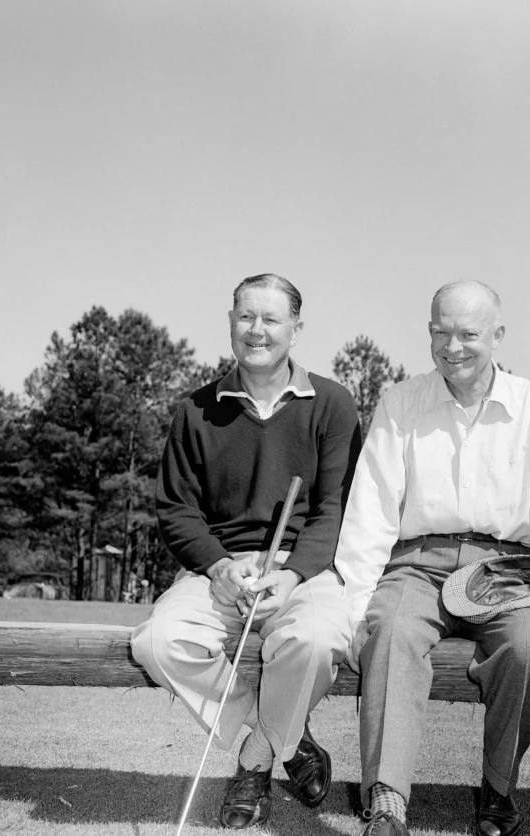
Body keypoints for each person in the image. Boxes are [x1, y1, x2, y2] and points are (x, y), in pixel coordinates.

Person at [334, 280, 530, 836]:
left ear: (498, 336)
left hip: (506, 569)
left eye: (468, 333)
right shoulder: (400, 403)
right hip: (416, 564)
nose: (453, 346)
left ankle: (498, 788)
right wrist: (355, 611)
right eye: (440, 331)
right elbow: (371, 512)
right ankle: (387, 803)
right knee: (391, 631)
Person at [131, 274, 361, 830]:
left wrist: (294, 573)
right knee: (158, 643)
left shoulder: (332, 404)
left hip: (302, 570)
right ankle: (285, 737)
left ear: (296, 329)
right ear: (230, 322)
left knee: (317, 639)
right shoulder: (195, 410)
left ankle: (255, 761)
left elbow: (335, 509)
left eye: (271, 319)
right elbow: (176, 510)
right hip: (219, 571)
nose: (257, 330)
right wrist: (218, 566)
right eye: (246, 317)